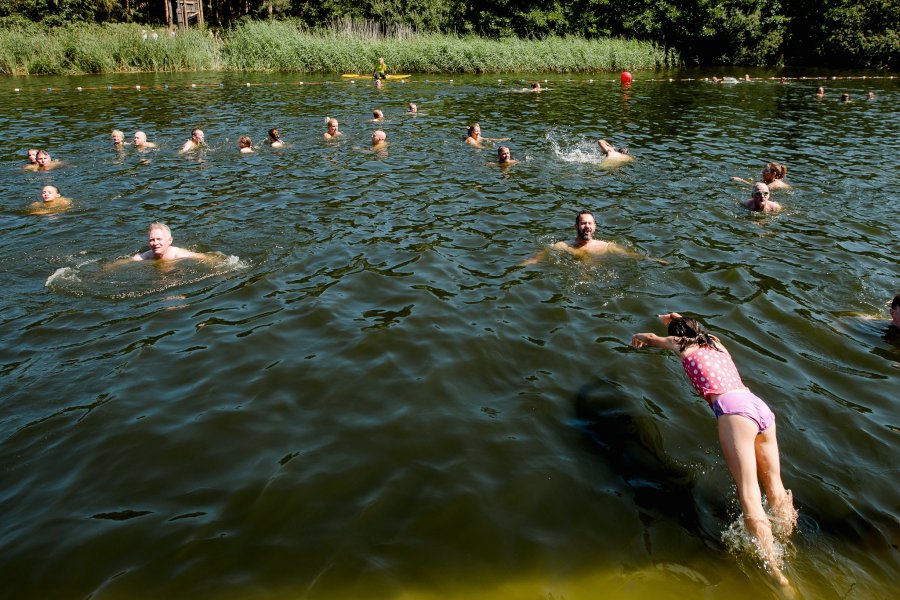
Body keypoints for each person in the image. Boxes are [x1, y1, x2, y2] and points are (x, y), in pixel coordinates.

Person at [631, 313, 795, 588]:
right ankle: (789, 539)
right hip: (758, 405)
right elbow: (693, 327)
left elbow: (652, 338)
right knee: (774, 484)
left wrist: (639, 338)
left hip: (734, 411)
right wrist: (675, 317)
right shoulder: (716, 343)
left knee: (749, 495)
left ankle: (778, 574)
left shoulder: (680, 342)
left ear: (679, 334)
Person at [522, 210, 664, 265]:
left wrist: (653, 259)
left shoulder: (606, 246)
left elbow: (632, 255)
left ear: (595, 227)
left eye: (590, 223)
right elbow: (537, 258)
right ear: (576, 226)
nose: (587, 226)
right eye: (583, 223)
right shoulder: (563, 246)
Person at [132, 222, 206, 261]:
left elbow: (206, 258)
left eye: (159, 239)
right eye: (152, 240)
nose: (155, 243)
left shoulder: (180, 255)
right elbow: (124, 262)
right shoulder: (144, 257)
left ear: (170, 240)